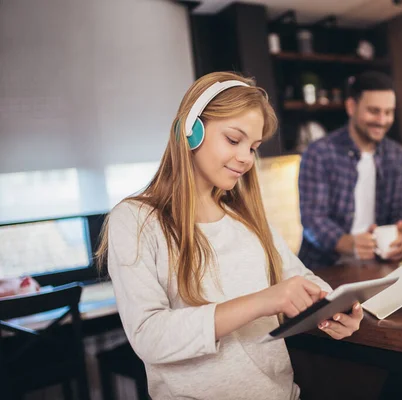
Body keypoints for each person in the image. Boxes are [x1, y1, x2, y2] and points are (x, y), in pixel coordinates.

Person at [96, 71, 363, 400]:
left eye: (253, 147)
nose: (246, 159)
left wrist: (333, 308)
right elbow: (150, 336)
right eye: (234, 140)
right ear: (190, 131)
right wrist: (264, 301)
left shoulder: (246, 217)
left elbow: (298, 278)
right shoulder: (135, 221)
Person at [298, 71, 402, 268]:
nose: (382, 120)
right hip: (324, 269)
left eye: (388, 112)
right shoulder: (319, 153)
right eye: (374, 111)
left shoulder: (396, 155)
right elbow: (313, 220)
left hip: (378, 265)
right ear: (351, 107)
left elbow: (401, 212)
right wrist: (348, 244)